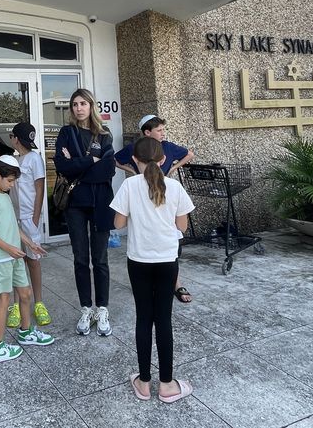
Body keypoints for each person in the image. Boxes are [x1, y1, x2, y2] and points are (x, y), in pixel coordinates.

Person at [111, 136, 195, 403]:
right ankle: (167, 384)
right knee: (164, 320)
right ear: (163, 159)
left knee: (144, 319)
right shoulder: (175, 187)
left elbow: (119, 224)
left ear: (134, 160)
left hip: (139, 260)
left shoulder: (129, 185)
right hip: (168, 260)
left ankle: (144, 383)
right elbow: (182, 227)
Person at [53, 88, 116, 336]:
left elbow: (108, 170)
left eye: (83, 103)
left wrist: (76, 164)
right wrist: (91, 161)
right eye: (75, 104)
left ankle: (102, 309)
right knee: (80, 258)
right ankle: (86, 308)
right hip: (75, 204)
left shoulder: (104, 134)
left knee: (100, 259)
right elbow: (62, 166)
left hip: (100, 202)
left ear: (91, 106)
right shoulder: (66, 133)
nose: (79, 108)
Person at [0, 156, 55, 363]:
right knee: (4, 300)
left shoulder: (5, 197)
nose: (12, 185)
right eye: (10, 181)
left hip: (14, 256)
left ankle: (26, 331)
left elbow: (13, 226)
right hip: (0, 259)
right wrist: (9, 249)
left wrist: (30, 244)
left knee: (25, 293)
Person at [115, 114, 195, 304]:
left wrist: (172, 169)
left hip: (144, 252)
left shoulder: (168, 150)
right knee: (162, 310)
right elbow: (182, 226)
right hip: (157, 251)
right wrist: (132, 171)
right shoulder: (134, 180)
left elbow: (118, 223)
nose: (163, 133)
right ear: (147, 132)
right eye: (159, 130)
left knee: (144, 308)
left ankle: (176, 283)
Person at [5, 122, 51, 328]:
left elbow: (39, 188)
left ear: (16, 139)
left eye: (12, 136)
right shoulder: (13, 160)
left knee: (33, 260)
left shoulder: (34, 158)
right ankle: (16, 305)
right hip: (14, 217)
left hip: (29, 217)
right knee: (17, 261)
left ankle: (39, 303)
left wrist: (35, 217)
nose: (11, 139)